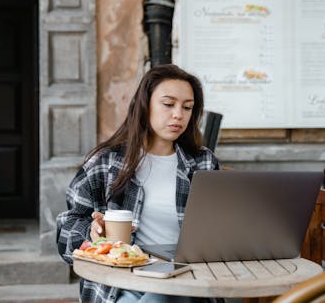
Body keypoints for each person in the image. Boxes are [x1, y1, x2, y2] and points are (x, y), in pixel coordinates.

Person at [56, 64, 220, 303]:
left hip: (188, 278)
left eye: (187, 107)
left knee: (167, 294)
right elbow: (65, 232)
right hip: (120, 284)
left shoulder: (203, 162)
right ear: (145, 106)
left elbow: (222, 231)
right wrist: (92, 235)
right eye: (168, 104)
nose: (178, 114)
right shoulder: (106, 161)